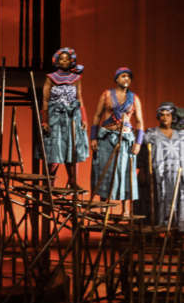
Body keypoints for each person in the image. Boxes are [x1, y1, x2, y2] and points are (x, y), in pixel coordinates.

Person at [90, 67, 144, 213]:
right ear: (117, 78)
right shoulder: (107, 95)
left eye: (128, 76)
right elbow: (97, 116)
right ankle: (104, 207)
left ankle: (125, 209)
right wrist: (93, 137)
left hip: (125, 139)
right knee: (104, 169)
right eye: (123, 76)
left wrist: (138, 142)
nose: (126, 79)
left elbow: (139, 121)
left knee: (125, 170)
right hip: (106, 138)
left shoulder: (134, 98)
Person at [41, 48, 90, 189]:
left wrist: (84, 119)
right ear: (57, 61)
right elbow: (45, 100)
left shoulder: (76, 79)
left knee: (71, 148)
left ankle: (72, 180)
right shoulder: (51, 78)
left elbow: (79, 98)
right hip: (55, 117)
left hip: (72, 117)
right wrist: (45, 120)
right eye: (61, 59)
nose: (64, 61)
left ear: (71, 61)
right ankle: (50, 181)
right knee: (55, 148)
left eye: (67, 59)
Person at [143, 103, 184, 227]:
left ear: (173, 117)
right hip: (160, 172)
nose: (165, 118)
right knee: (162, 196)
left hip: (177, 172)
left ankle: (178, 226)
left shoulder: (180, 135)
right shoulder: (152, 134)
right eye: (162, 115)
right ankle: (163, 225)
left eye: (168, 115)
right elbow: (141, 145)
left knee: (179, 196)